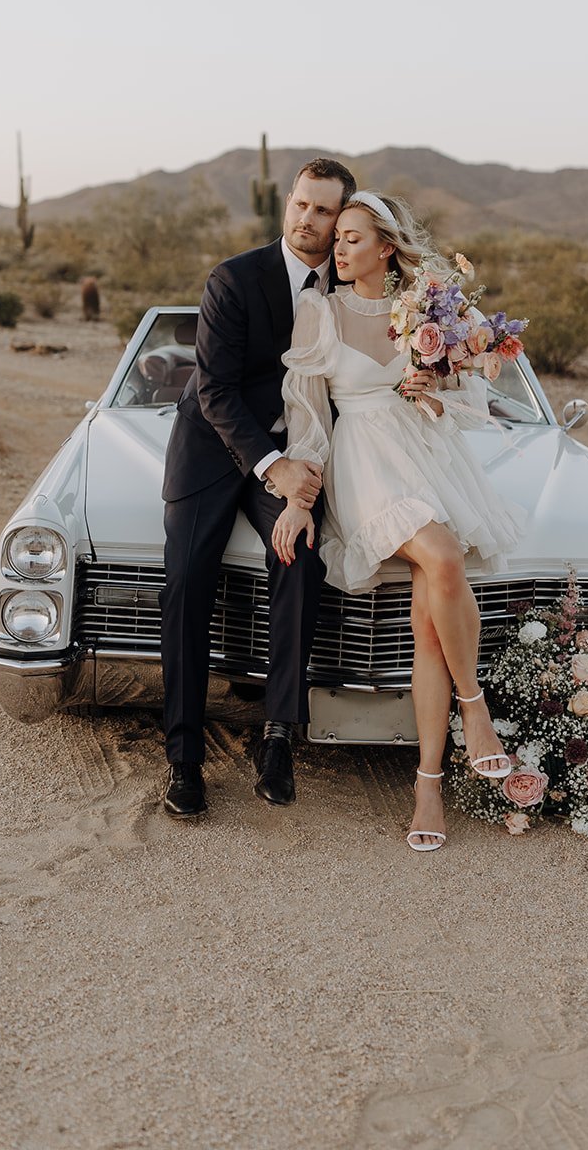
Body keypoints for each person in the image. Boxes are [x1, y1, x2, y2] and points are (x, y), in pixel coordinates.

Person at [270, 191, 523, 852]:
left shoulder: (428, 306)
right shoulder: (315, 312)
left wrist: (435, 390)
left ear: (387, 246)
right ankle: (476, 710)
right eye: (337, 238)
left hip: (427, 452)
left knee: (429, 631)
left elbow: (478, 389)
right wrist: (299, 497)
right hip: (365, 463)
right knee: (441, 554)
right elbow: (305, 414)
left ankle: (427, 786)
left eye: (353, 237)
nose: (338, 247)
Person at [159, 156, 357, 819]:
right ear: (286, 204)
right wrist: (272, 467)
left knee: (295, 556)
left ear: (340, 220)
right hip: (213, 448)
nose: (308, 218)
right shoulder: (234, 279)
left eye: (323, 210)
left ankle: (277, 736)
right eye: (301, 204)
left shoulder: (350, 288)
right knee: (186, 581)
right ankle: (183, 759)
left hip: (299, 451)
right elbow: (213, 392)